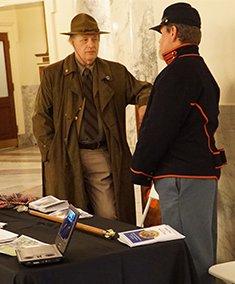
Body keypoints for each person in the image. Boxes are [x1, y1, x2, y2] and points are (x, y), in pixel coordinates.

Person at [130, 3, 226, 284]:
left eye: (161, 33)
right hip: (200, 175)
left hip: (183, 178)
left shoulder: (177, 73)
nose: (159, 40)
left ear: (173, 31)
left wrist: (139, 169)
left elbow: (158, 129)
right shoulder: (199, 69)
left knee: (190, 258)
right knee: (201, 256)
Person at [32, 13, 152, 224]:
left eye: (95, 39)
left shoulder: (115, 72)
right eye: (84, 39)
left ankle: (111, 256)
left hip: (101, 156)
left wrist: (144, 104)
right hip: (67, 157)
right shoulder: (54, 75)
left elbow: (145, 89)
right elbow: (40, 118)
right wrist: (52, 153)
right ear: (72, 42)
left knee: (109, 217)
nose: (91, 45)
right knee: (70, 222)